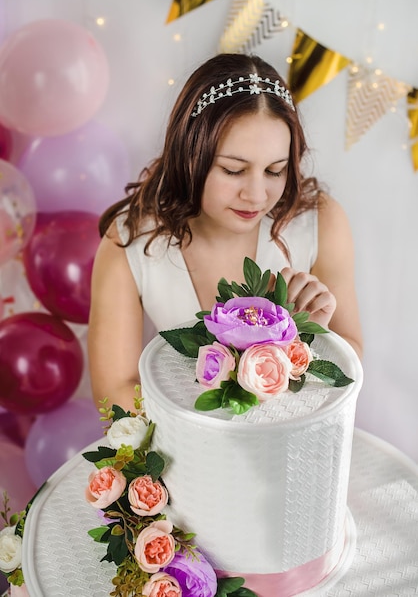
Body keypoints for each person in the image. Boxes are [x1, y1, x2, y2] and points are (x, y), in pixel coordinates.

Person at [88, 52, 363, 410]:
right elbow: (114, 393)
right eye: (233, 170)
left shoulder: (320, 221)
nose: (256, 195)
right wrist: (212, 432)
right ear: (190, 155)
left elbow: (351, 361)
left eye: (275, 170)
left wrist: (308, 339)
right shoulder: (131, 242)